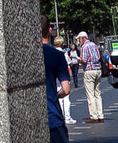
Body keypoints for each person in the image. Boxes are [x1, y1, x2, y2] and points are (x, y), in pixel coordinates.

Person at [42, 14, 71, 143]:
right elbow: (66, 89)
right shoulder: (57, 55)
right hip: (52, 117)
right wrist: (55, 94)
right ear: (49, 30)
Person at [77, 29, 104, 123]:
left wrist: (78, 60)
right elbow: (98, 57)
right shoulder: (94, 45)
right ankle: (101, 115)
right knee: (98, 93)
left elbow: (84, 60)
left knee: (90, 94)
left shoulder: (84, 47)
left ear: (83, 38)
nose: (79, 40)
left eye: (79, 38)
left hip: (89, 70)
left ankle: (94, 116)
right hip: (98, 70)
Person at [53, 37, 76, 125]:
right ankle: (67, 117)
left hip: (55, 77)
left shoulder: (52, 52)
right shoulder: (64, 53)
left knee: (58, 98)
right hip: (63, 76)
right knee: (66, 98)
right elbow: (70, 63)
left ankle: (61, 116)